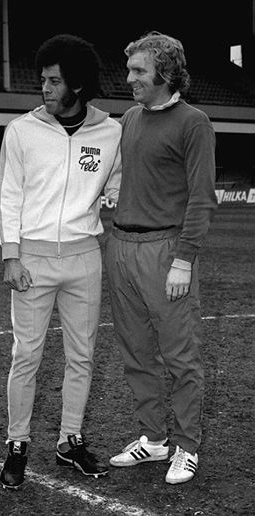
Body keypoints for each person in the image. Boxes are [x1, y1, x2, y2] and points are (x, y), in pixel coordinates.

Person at [0, 34, 122, 489]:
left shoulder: (112, 132)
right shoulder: (22, 131)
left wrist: (116, 196)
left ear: (79, 84)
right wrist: (11, 255)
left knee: (82, 356)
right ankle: (17, 444)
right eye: (42, 80)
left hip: (85, 257)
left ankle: (70, 441)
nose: (44, 89)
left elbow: (119, 184)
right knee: (25, 355)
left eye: (53, 81)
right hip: (31, 259)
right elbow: (8, 195)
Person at [105, 32, 218, 484]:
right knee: (136, 353)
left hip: (166, 252)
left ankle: (187, 447)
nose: (129, 77)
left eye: (138, 71)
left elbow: (202, 196)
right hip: (121, 248)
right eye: (129, 68)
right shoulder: (130, 117)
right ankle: (153, 439)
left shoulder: (194, 122)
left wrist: (184, 259)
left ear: (166, 74)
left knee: (180, 357)